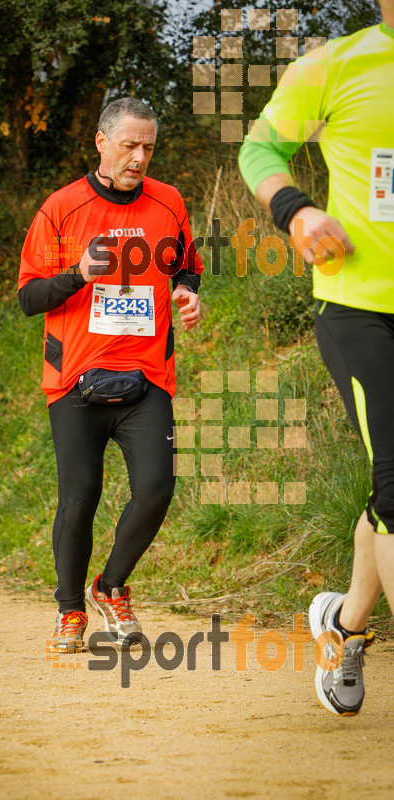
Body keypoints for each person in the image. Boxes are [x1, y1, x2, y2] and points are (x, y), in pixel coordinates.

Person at [238, 0, 394, 715]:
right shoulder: (338, 64)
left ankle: (344, 627)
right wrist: (295, 209)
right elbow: (258, 146)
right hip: (359, 305)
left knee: (390, 493)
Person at [18, 97, 203, 654]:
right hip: (75, 380)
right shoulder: (62, 208)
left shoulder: (169, 203)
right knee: (80, 498)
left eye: (148, 147)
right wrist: (77, 274)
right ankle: (71, 610)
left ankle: (111, 585)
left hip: (146, 378)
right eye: (129, 145)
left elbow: (187, 267)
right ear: (101, 142)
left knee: (156, 489)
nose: (140, 157)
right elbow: (29, 296)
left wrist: (188, 294)